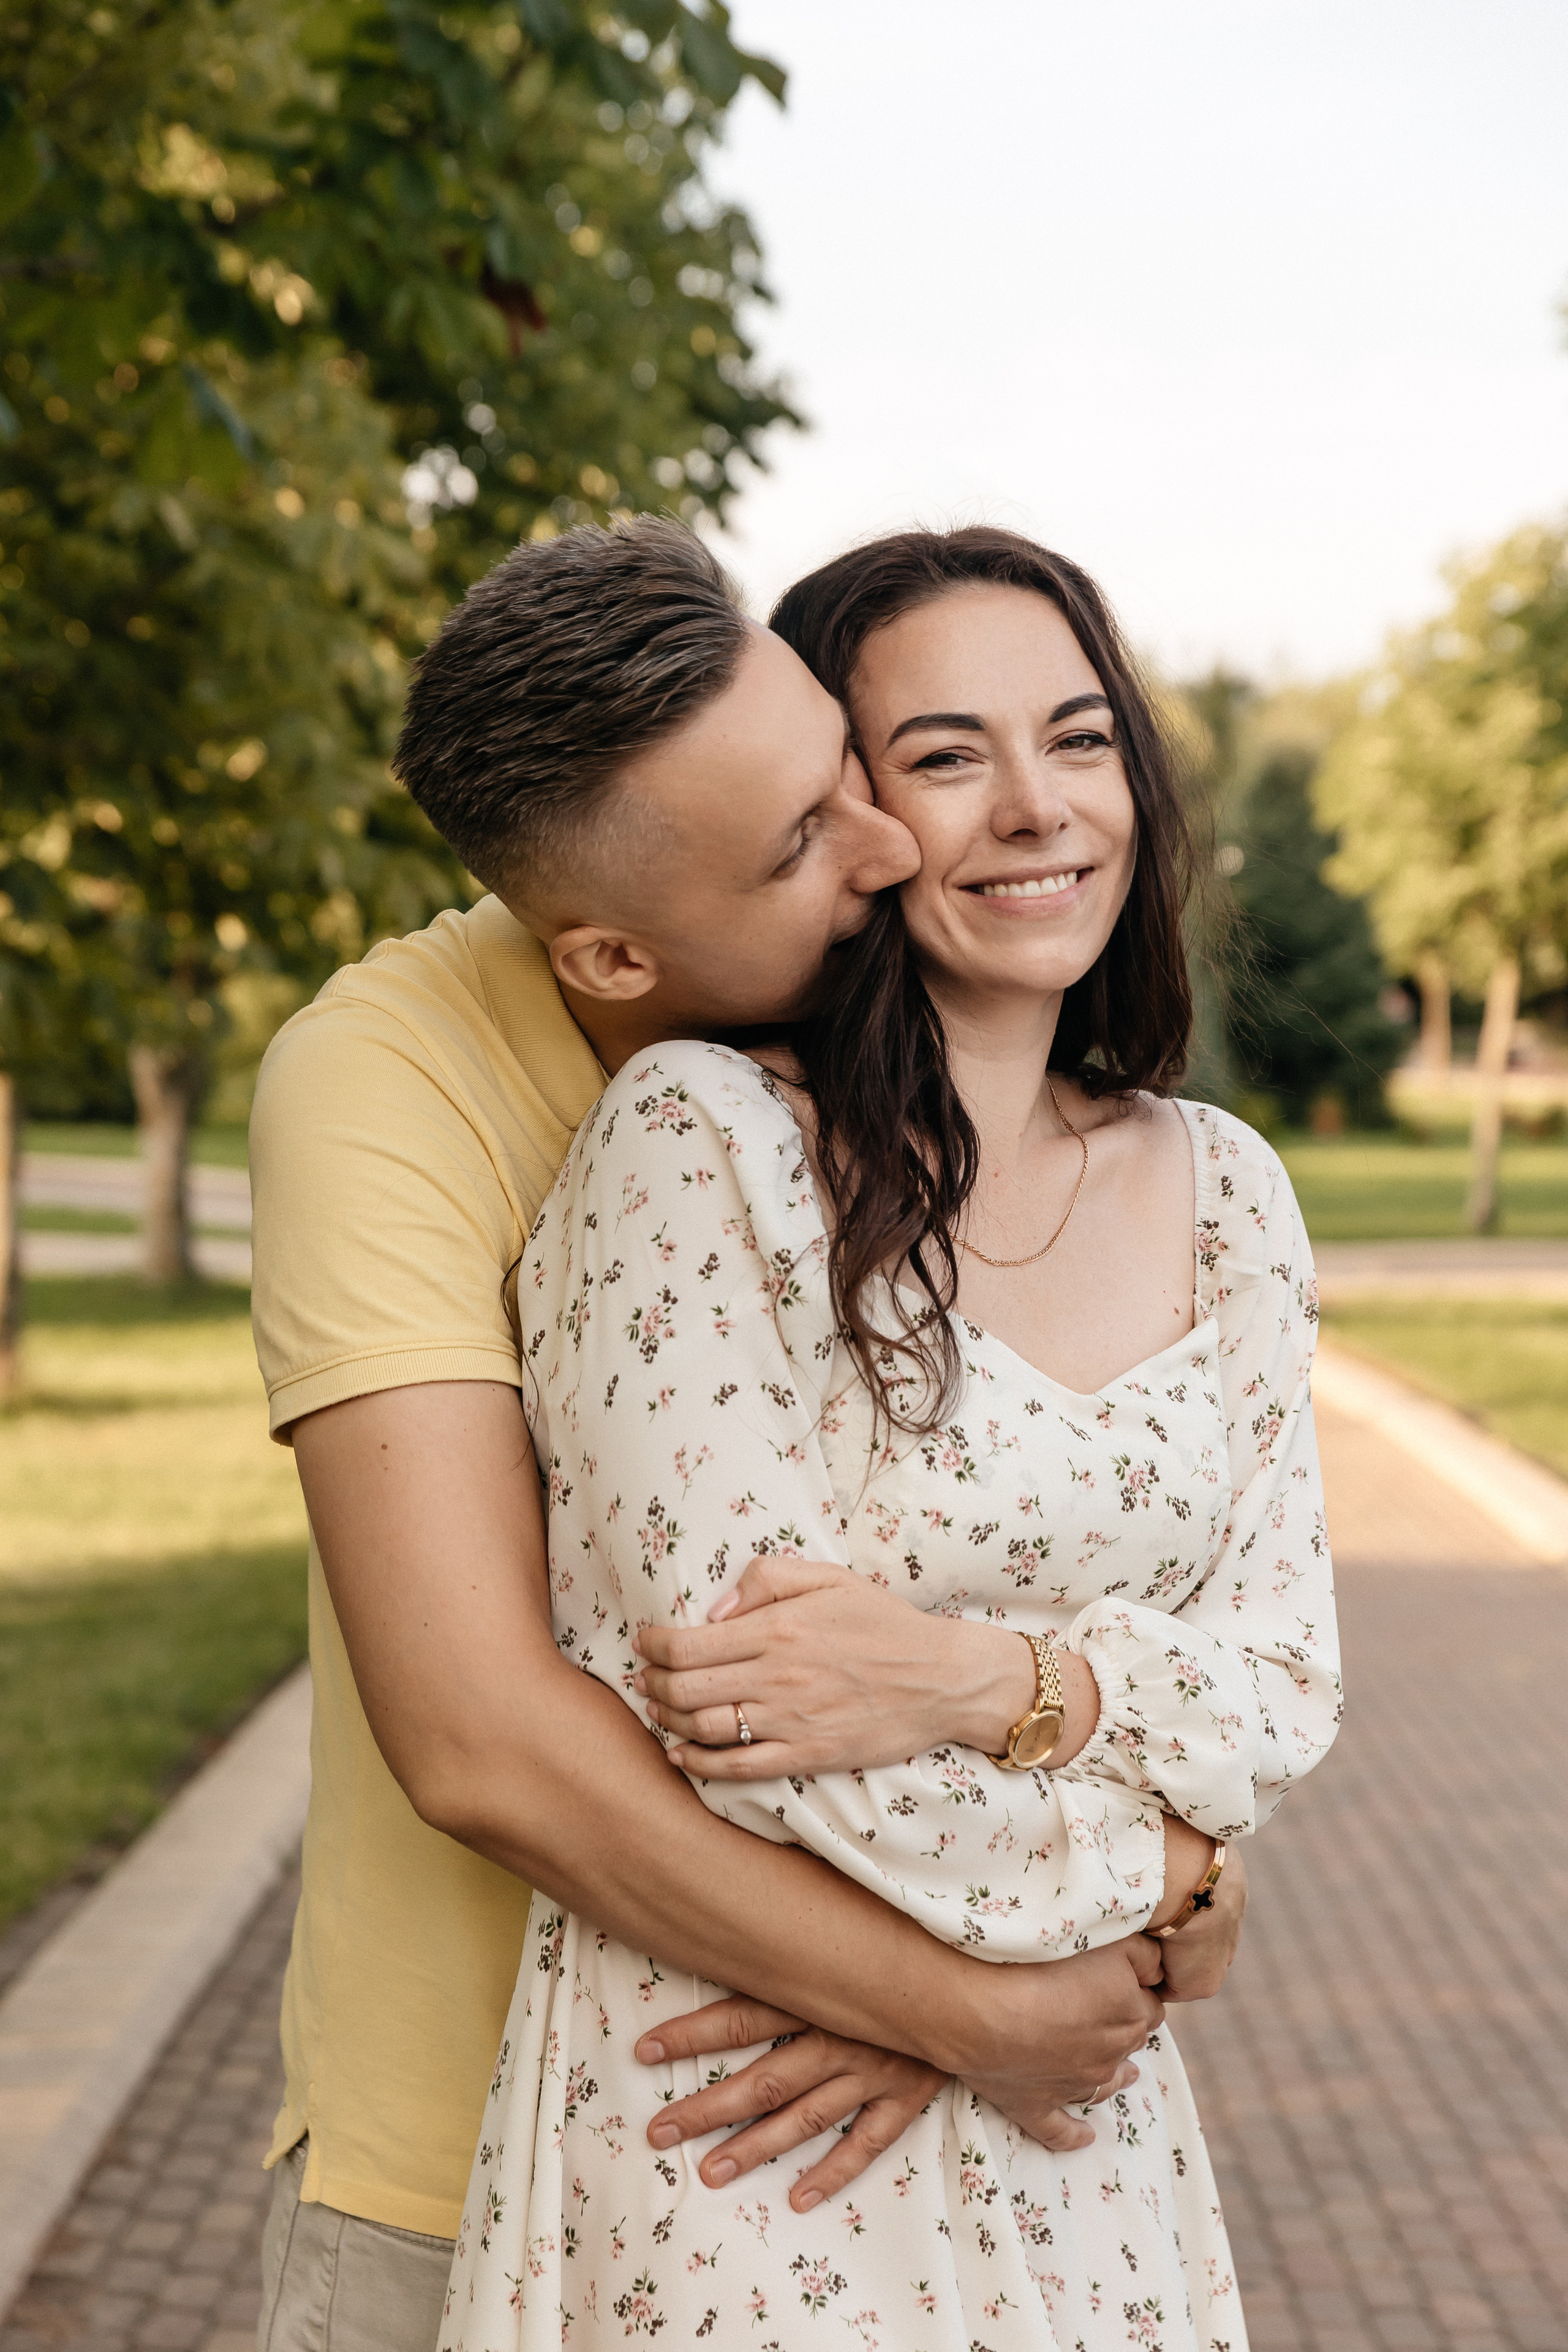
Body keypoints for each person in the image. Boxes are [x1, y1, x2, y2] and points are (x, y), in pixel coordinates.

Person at [249, 519, 1246, 2352]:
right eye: (806, 842)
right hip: (491, 2154)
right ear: (616, 957)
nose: (887, 845)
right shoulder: (388, 1080)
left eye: (848, 772)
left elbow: (1137, 1610)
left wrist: (1190, 1868)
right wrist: (976, 2001)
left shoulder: (943, 1109)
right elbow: (484, 1739)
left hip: (945, 2184)